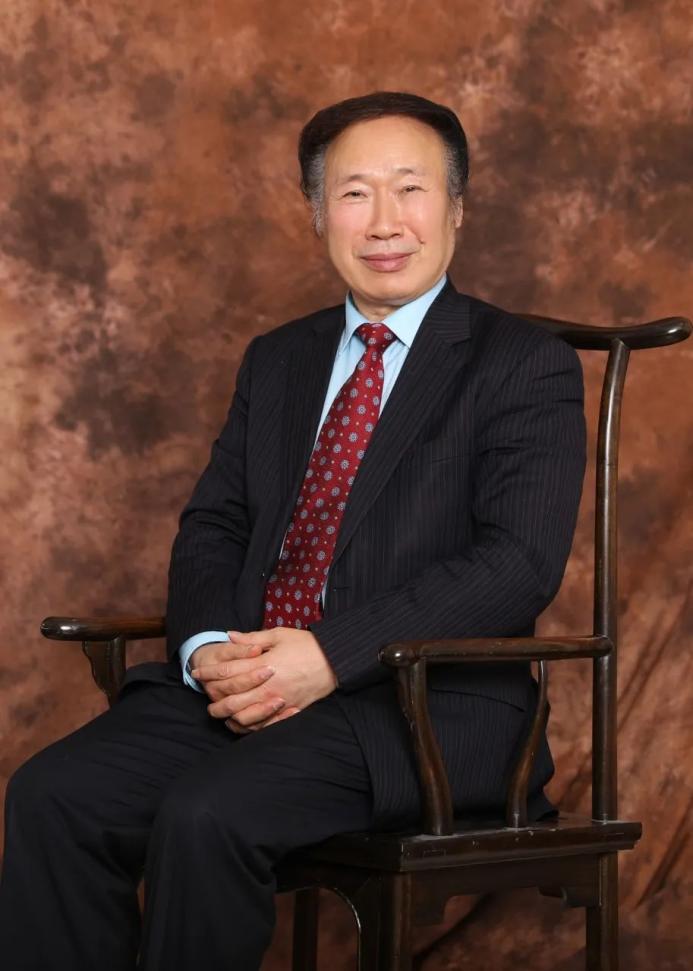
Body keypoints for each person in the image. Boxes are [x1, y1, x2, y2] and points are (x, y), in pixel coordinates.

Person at [0, 91, 586, 970]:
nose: (383, 221)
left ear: (456, 208)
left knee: (206, 813)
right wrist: (207, 648)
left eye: (410, 188)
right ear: (317, 214)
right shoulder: (278, 359)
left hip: (422, 709)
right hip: (250, 683)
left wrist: (328, 654)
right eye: (353, 193)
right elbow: (215, 523)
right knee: (54, 793)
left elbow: (515, 564)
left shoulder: (521, 363)